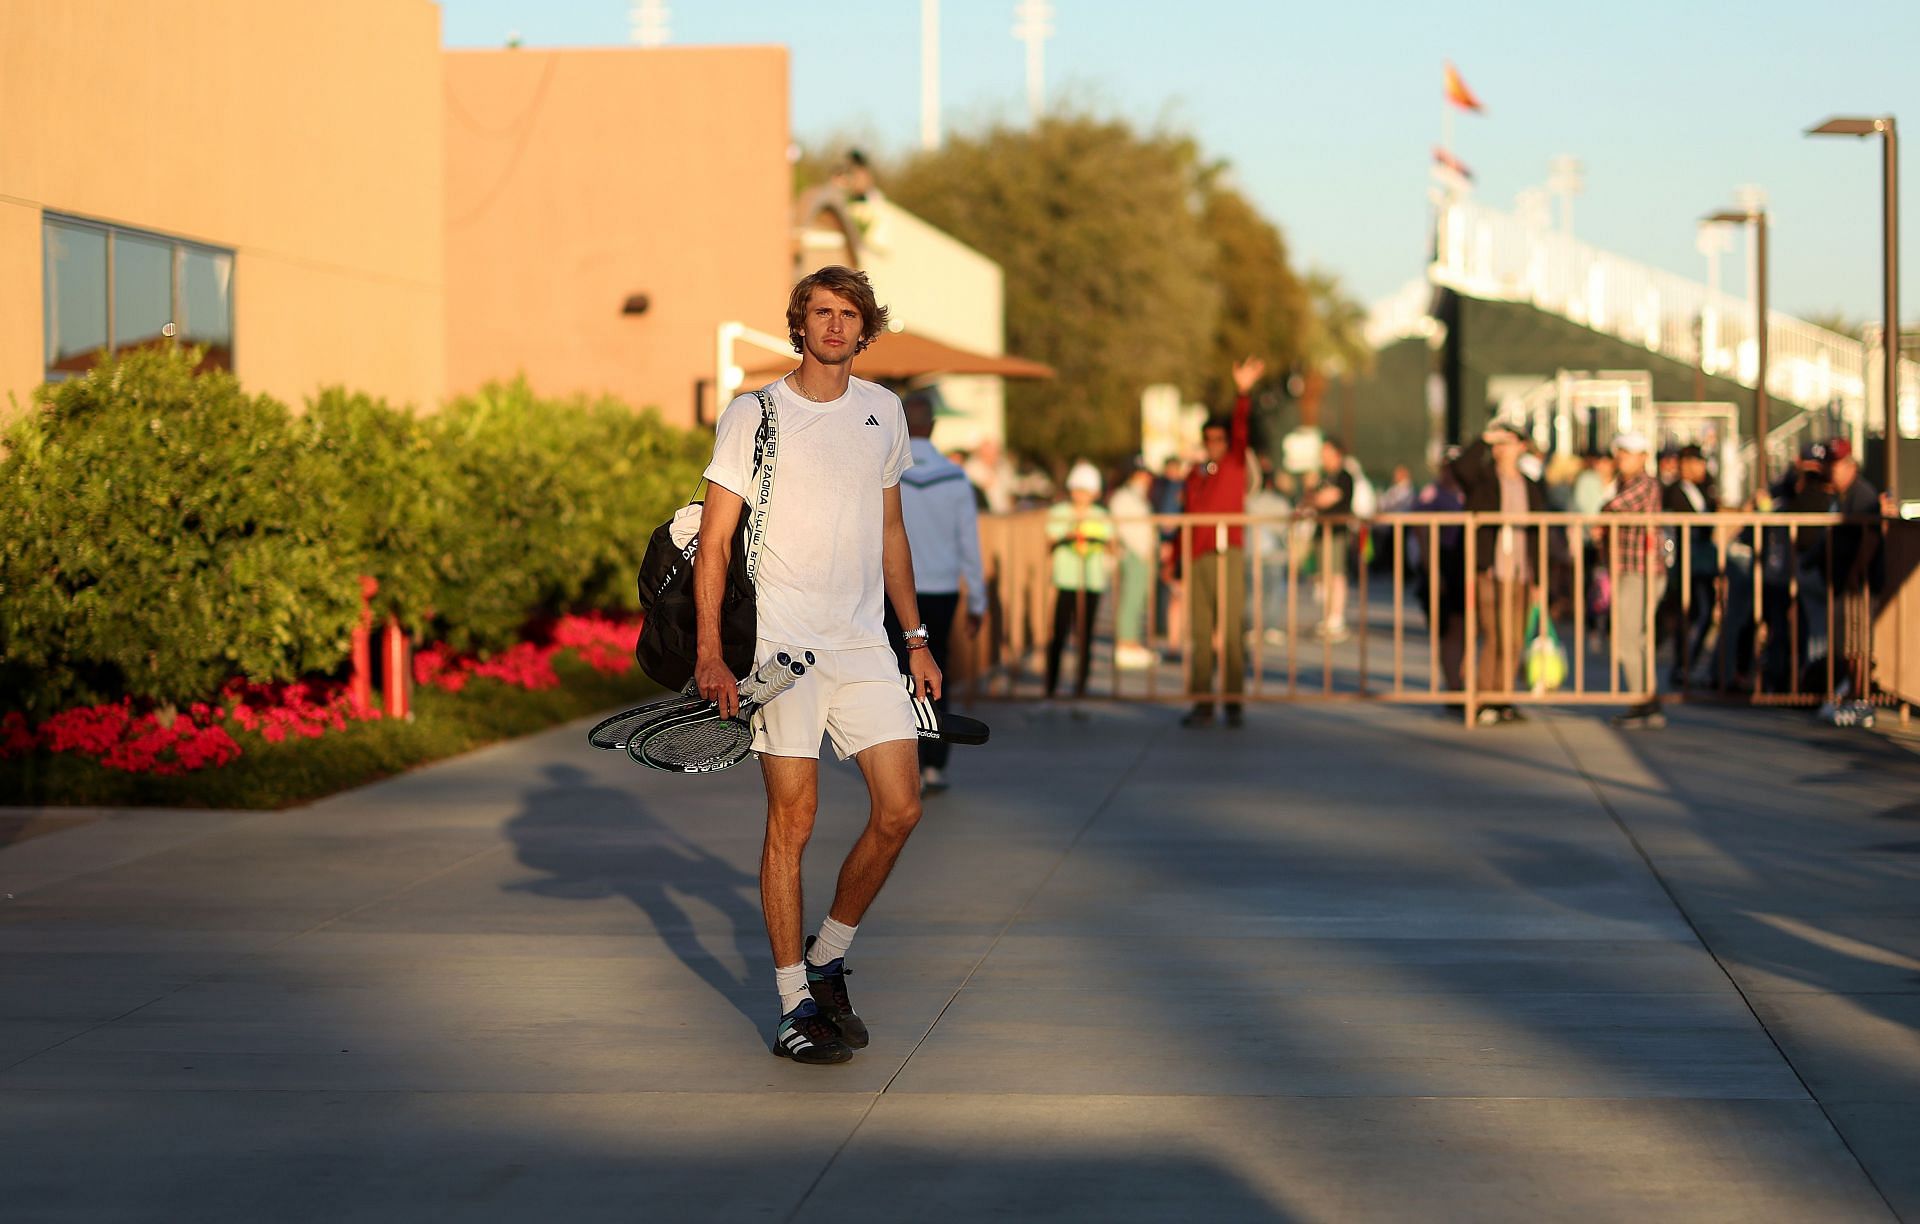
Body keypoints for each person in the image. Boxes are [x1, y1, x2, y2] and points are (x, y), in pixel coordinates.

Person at [694, 265, 939, 1066]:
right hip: (779, 652)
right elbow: (717, 541)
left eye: (849, 314)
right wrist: (710, 652)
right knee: (791, 824)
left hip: (865, 643)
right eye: (821, 313)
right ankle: (793, 1003)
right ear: (798, 325)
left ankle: (828, 955)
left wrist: (916, 640)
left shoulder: (883, 410)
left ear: (865, 329)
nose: (835, 326)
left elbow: (892, 534)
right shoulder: (754, 413)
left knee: (901, 809)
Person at [884, 390, 987, 795]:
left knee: (896, 675)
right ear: (935, 426)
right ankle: (935, 765)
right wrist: (978, 599)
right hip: (942, 588)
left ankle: (902, 763)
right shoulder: (955, 476)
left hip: (895, 590)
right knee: (937, 672)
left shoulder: (890, 472)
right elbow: (970, 543)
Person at [1181, 358, 1264, 727]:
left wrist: (1242, 391)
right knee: (1200, 632)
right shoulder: (1195, 476)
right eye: (1208, 439)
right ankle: (1202, 701)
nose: (1213, 444)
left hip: (1225, 550)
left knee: (1230, 630)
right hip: (1198, 555)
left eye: (1219, 438)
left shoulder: (1233, 465)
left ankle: (1232, 700)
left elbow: (1242, 427)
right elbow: (1185, 518)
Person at [1447, 421, 1546, 724]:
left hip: (1520, 571)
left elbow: (1538, 535)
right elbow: (1460, 468)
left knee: (1514, 637)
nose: (1503, 448)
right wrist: (1484, 438)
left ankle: (1503, 699)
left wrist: (1539, 579)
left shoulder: (1529, 484)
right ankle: (1484, 699)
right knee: (1494, 634)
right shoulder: (1484, 479)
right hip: (1490, 570)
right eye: (1499, 444)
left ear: (1522, 447)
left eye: (1510, 442)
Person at [1599, 431, 1666, 728]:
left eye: (1628, 453)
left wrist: (1602, 513)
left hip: (1642, 570)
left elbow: (1614, 506)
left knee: (1629, 638)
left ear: (1643, 457)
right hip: (1630, 569)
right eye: (1620, 452)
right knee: (1633, 637)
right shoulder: (1623, 483)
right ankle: (1644, 700)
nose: (1622, 458)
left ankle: (1643, 701)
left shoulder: (1645, 484)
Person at [1817, 440, 1882, 726]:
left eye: (1837, 465)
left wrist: (1857, 572)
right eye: (1830, 465)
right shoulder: (1842, 494)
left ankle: (1862, 700)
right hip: (1846, 580)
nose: (1832, 471)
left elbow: (1871, 536)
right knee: (1850, 645)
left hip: (1859, 582)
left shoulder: (1862, 493)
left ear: (1850, 466)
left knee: (1859, 644)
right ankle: (1855, 696)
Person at [1044, 462, 1114, 703]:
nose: (1081, 496)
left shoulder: (1101, 515)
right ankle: (1051, 685)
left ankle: (1081, 685)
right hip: (1067, 580)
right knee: (1059, 633)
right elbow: (1051, 539)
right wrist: (1070, 532)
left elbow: (1111, 542)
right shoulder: (1060, 512)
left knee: (1085, 635)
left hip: (1091, 581)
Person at [1107, 463, 1159, 669]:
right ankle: (1125, 644)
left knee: (1139, 600)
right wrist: (1142, 550)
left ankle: (1133, 642)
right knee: (1130, 599)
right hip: (1134, 554)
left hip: (1143, 554)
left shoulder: (1138, 497)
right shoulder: (1122, 497)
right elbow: (1127, 528)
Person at [1305, 438, 1357, 641]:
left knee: (1336, 574)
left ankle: (1336, 617)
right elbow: (1310, 498)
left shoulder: (1344, 476)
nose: (1322, 456)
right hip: (1321, 530)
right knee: (1323, 574)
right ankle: (1328, 616)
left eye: (1326, 452)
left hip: (1336, 532)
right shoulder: (1324, 476)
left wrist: (1317, 498)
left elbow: (1326, 499)